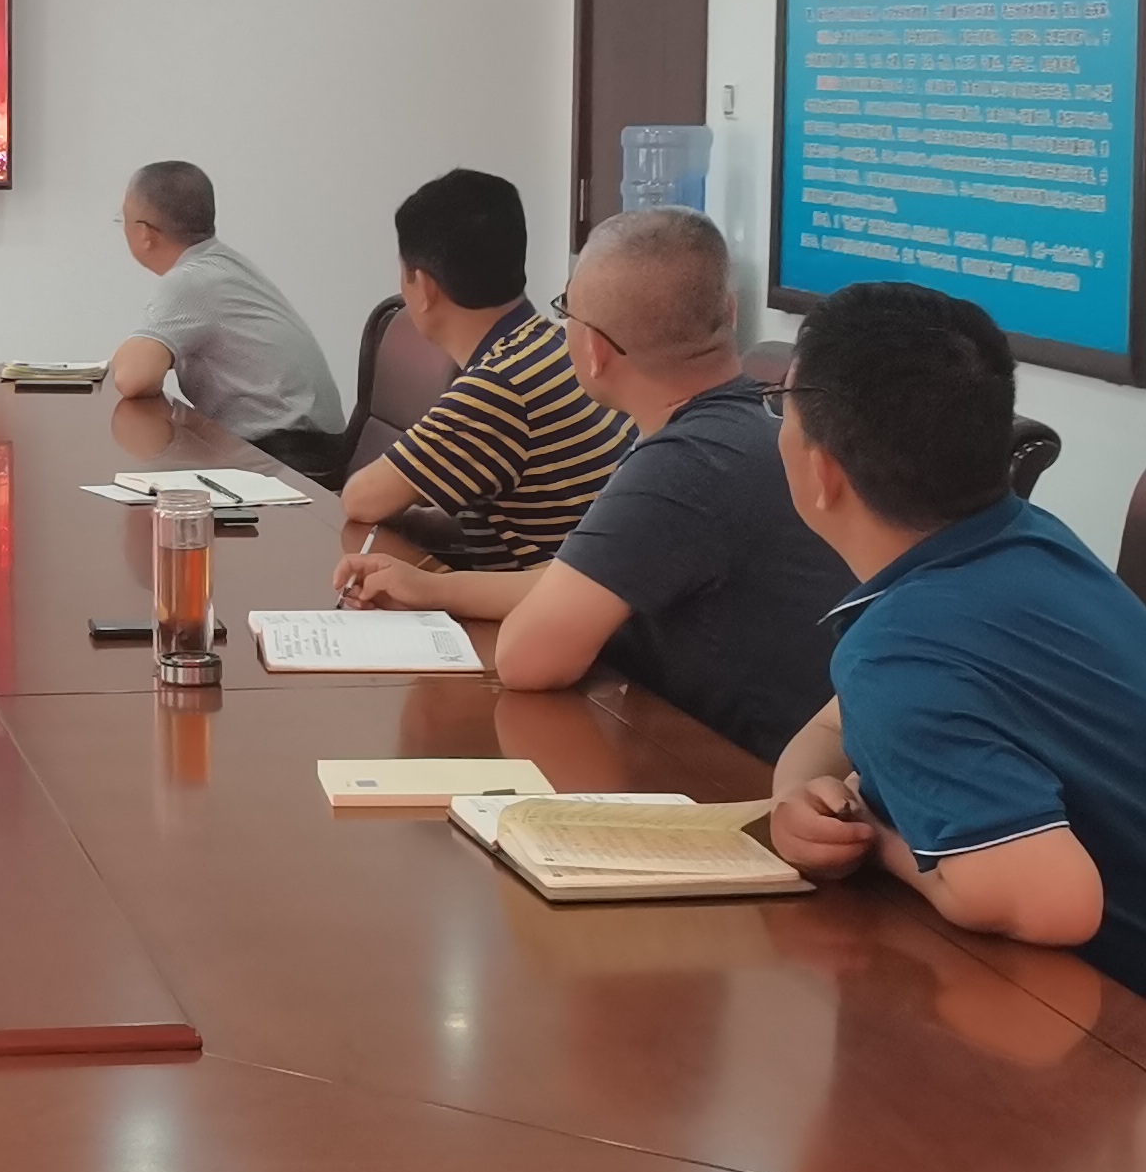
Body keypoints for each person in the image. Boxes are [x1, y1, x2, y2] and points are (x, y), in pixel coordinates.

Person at [755, 281, 1146, 1046]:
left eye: (781, 412)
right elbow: (836, 726)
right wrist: (800, 796)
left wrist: (879, 843)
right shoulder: (1021, 541)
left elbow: (1054, 902)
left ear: (822, 473)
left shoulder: (902, 648)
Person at [334, 209, 850, 758]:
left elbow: (527, 658)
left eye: (566, 315)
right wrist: (431, 588)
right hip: (780, 762)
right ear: (730, 312)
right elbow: (582, 580)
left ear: (593, 350)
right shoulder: (753, 423)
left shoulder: (685, 463)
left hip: (735, 774)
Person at [336, 169, 630, 570]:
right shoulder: (557, 343)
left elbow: (361, 498)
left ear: (424, 287)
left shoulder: (498, 386)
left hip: (549, 603)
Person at [105, 159, 347, 481]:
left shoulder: (191, 281)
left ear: (145, 233)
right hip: (305, 446)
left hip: (287, 459)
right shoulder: (222, 265)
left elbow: (132, 377)